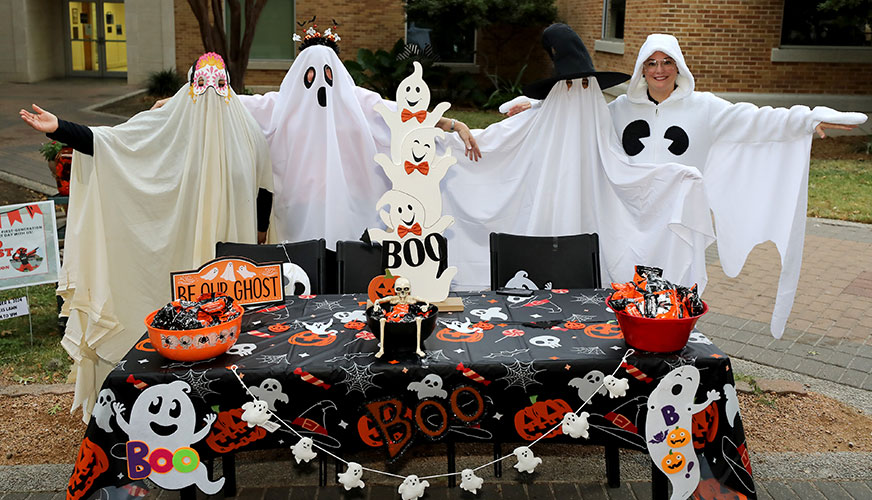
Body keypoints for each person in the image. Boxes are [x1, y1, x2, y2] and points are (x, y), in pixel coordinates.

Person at [505, 32, 867, 337]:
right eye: (652, 63)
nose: (659, 70)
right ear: (641, 69)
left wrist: (806, 119)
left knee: (673, 294)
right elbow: (574, 112)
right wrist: (535, 107)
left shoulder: (706, 108)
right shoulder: (616, 111)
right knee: (622, 285)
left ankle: (668, 347)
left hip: (677, 223)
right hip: (625, 219)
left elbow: (757, 120)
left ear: (678, 66)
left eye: (667, 62)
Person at [19, 52, 274, 421]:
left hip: (230, 256)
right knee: (176, 325)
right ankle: (164, 403)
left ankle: (229, 408)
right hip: (179, 253)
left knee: (228, 330)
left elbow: (264, 188)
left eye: (218, 87)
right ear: (189, 89)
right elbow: (113, 143)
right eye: (202, 87)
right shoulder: (165, 126)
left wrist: (260, 233)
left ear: (229, 89)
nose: (210, 97)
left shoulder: (248, 132)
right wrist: (59, 127)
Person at [437, 23, 716, 293]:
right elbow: (489, 144)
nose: (578, 92)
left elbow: (623, 170)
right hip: (542, 226)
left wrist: (678, 179)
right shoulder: (538, 121)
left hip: (591, 224)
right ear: (558, 91)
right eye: (569, 85)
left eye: (585, 84)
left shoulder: (602, 120)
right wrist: (449, 126)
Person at [154, 26, 481, 248]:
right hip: (298, 210)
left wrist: (451, 124)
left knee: (350, 271)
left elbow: (406, 115)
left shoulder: (360, 103)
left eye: (327, 76)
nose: (320, 85)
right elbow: (230, 103)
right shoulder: (279, 106)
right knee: (303, 272)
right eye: (312, 77)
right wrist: (177, 102)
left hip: (353, 207)